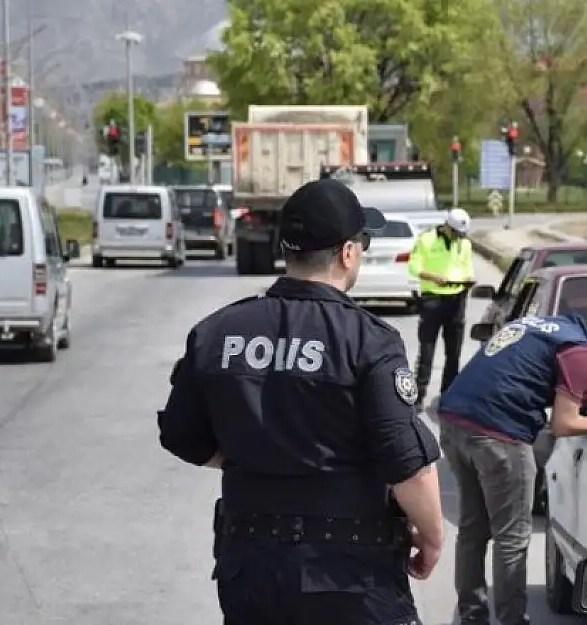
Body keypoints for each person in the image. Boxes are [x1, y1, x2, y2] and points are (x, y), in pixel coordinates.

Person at [157, 178, 444, 625]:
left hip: (250, 571)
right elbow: (407, 463)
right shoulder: (369, 341)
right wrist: (431, 538)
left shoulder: (217, 332)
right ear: (348, 253)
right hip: (349, 577)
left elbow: (180, 434)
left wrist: (256, 458)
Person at [437, 310, 587, 625]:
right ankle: (512, 619)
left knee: (473, 531)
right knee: (511, 537)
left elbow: (520, 374)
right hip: (500, 436)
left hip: (454, 423)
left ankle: (472, 616)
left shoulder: (539, 325)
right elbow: (564, 423)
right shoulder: (578, 349)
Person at [407, 208, 474, 405]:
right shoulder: (427, 240)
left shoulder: (465, 244)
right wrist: (433, 277)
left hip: (457, 298)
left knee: (454, 352)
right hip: (433, 299)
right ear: (446, 226)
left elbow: (466, 267)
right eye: (455, 233)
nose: (457, 238)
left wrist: (469, 279)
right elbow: (414, 267)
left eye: (460, 235)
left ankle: (449, 393)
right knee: (427, 349)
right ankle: (418, 396)